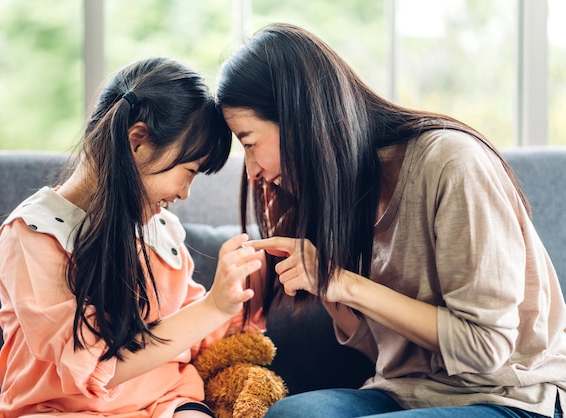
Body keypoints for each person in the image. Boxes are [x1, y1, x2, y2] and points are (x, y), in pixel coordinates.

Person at [216, 23, 566, 418]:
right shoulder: (337, 191)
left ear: (300, 120)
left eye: (249, 143)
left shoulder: (450, 163)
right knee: (291, 415)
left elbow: (484, 349)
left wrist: (342, 281)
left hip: (510, 395)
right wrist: (327, 289)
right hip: (404, 393)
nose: (251, 172)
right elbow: (382, 349)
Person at [0, 57, 265, 418]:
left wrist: (252, 287)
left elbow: (194, 328)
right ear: (138, 142)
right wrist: (213, 307)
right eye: (189, 171)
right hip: (59, 409)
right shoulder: (35, 235)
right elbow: (98, 364)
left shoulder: (158, 230)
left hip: (168, 401)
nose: (185, 194)